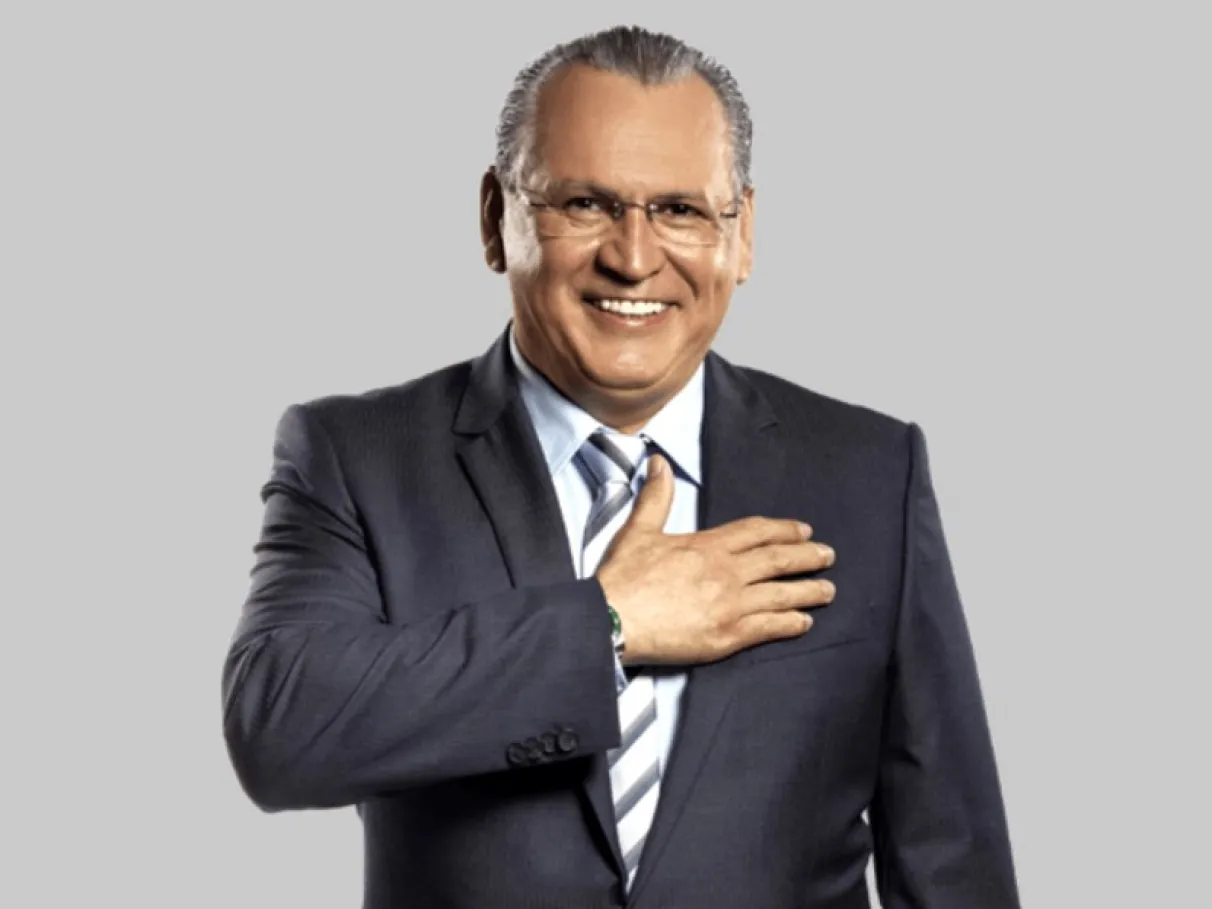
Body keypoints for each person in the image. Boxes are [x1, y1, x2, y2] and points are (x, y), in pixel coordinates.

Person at [221, 24, 1021, 909]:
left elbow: (953, 865)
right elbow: (280, 731)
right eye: (585, 204)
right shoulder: (358, 457)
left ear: (742, 234)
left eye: (680, 210)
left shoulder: (871, 473)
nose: (634, 258)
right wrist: (606, 624)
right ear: (495, 219)